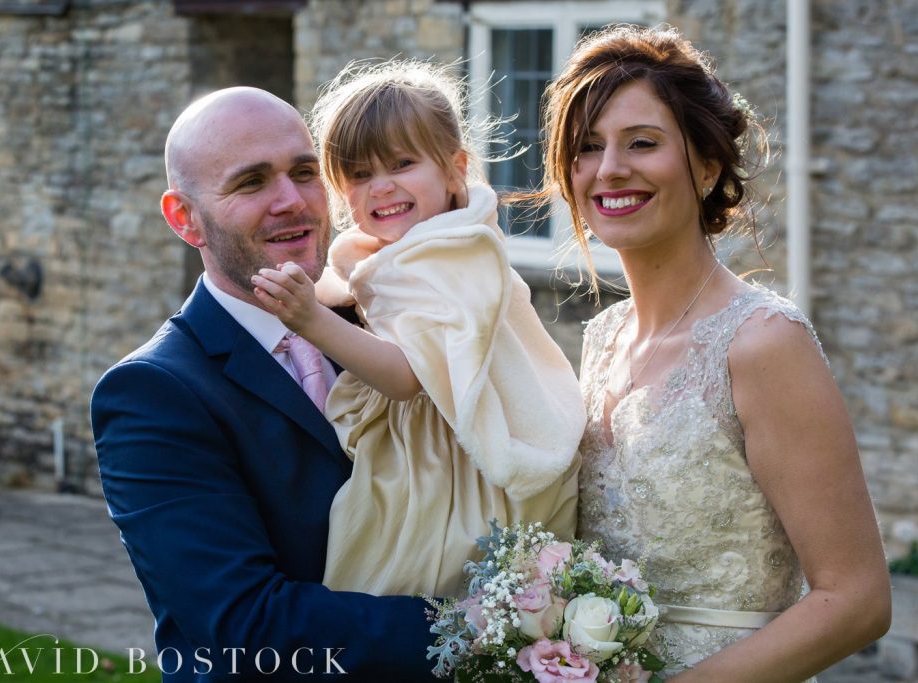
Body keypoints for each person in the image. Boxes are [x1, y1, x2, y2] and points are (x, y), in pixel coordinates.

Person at [535, 24, 891, 681]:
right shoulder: (601, 338)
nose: (610, 168)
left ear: (706, 164)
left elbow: (857, 599)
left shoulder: (763, 343)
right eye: (587, 148)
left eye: (642, 142)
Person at [90, 86, 442, 681]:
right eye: (251, 183)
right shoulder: (152, 394)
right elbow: (246, 625)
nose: (292, 202)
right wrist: (475, 627)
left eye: (304, 173)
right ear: (185, 219)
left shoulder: (384, 325)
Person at [251, 60, 583, 598]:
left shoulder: (448, 255)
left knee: (405, 563)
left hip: (451, 461)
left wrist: (309, 319)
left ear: (454, 169)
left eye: (402, 164)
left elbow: (409, 376)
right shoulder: (416, 248)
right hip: (424, 444)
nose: (381, 187)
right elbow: (363, 293)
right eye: (359, 175)